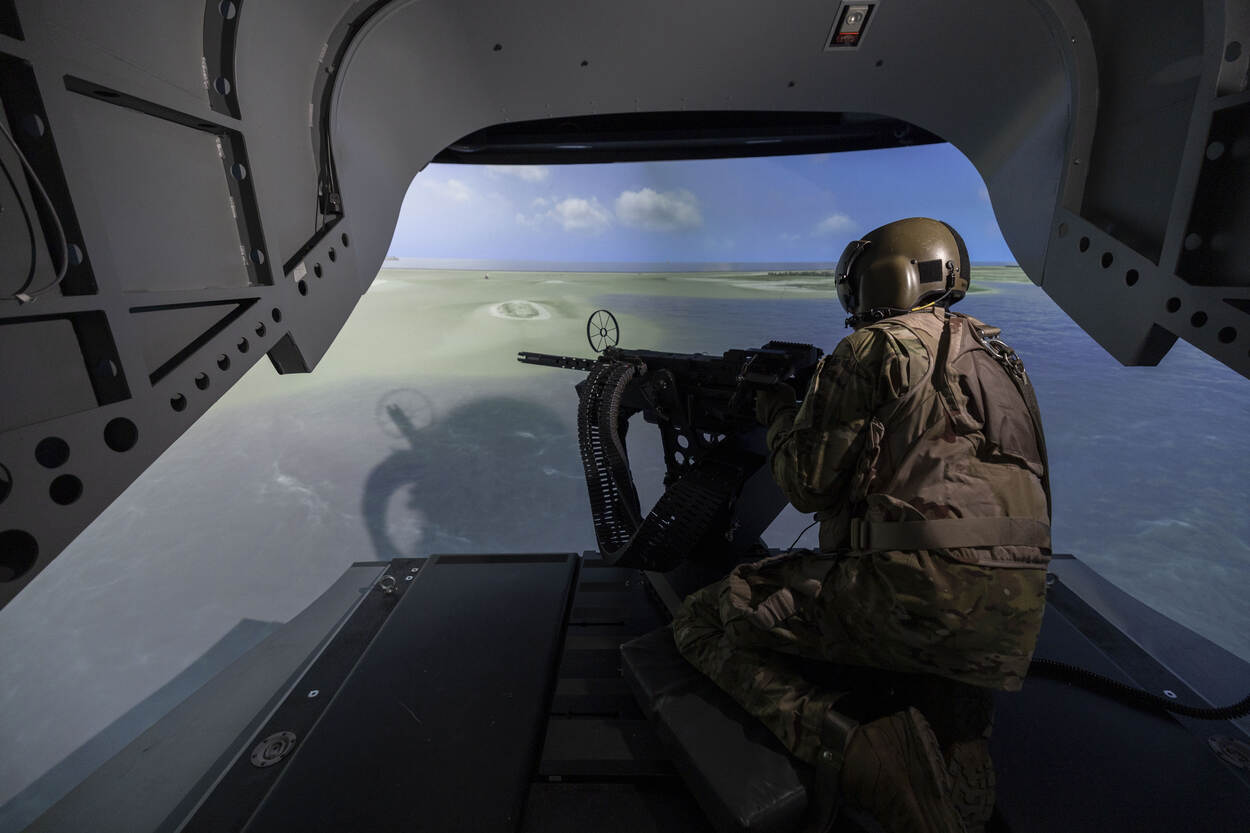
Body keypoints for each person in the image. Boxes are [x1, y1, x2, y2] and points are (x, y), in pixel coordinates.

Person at [671, 217, 1052, 833]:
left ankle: (861, 753)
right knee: (938, 624)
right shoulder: (1002, 358)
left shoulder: (876, 348)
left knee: (702, 619)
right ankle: (962, 741)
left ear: (880, 277)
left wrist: (778, 414)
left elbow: (805, 484)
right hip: (1013, 621)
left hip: (914, 600)